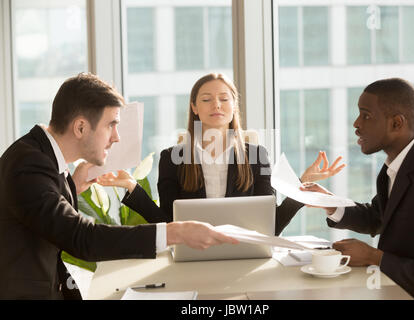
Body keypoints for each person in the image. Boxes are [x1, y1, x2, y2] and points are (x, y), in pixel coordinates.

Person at [0, 73, 238, 300]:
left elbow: (42, 215)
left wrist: (72, 186)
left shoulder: (40, 156)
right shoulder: (29, 164)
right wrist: (176, 232)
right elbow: (82, 238)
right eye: (111, 125)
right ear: (81, 127)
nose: (117, 137)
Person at [99, 73, 345, 236]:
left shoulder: (257, 155)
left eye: (223, 99)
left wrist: (300, 186)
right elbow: (166, 223)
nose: (216, 105)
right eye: (206, 99)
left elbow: (272, 226)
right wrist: (132, 186)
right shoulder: (171, 158)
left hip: (245, 254)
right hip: (192, 257)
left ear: (233, 106)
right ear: (194, 108)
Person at [302, 78, 414, 299]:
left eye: (366, 115)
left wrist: (374, 257)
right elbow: (378, 216)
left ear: (396, 124)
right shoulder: (397, 164)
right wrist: (330, 203)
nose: (356, 124)